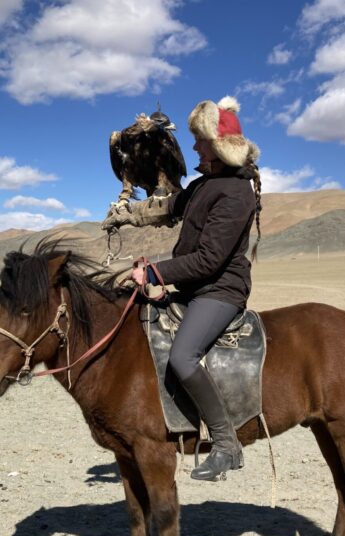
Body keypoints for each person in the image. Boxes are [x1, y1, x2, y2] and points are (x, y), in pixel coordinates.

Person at [102, 96, 261, 481]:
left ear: (219, 146)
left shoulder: (236, 193)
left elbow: (209, 260)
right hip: (195, 287)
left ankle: (226, 444)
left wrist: (154, 273)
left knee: (183, 357)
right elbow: (167, 207)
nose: (193, 148)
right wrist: (125, 215)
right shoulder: (205, 185)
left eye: (200, 141)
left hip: (219, 290)